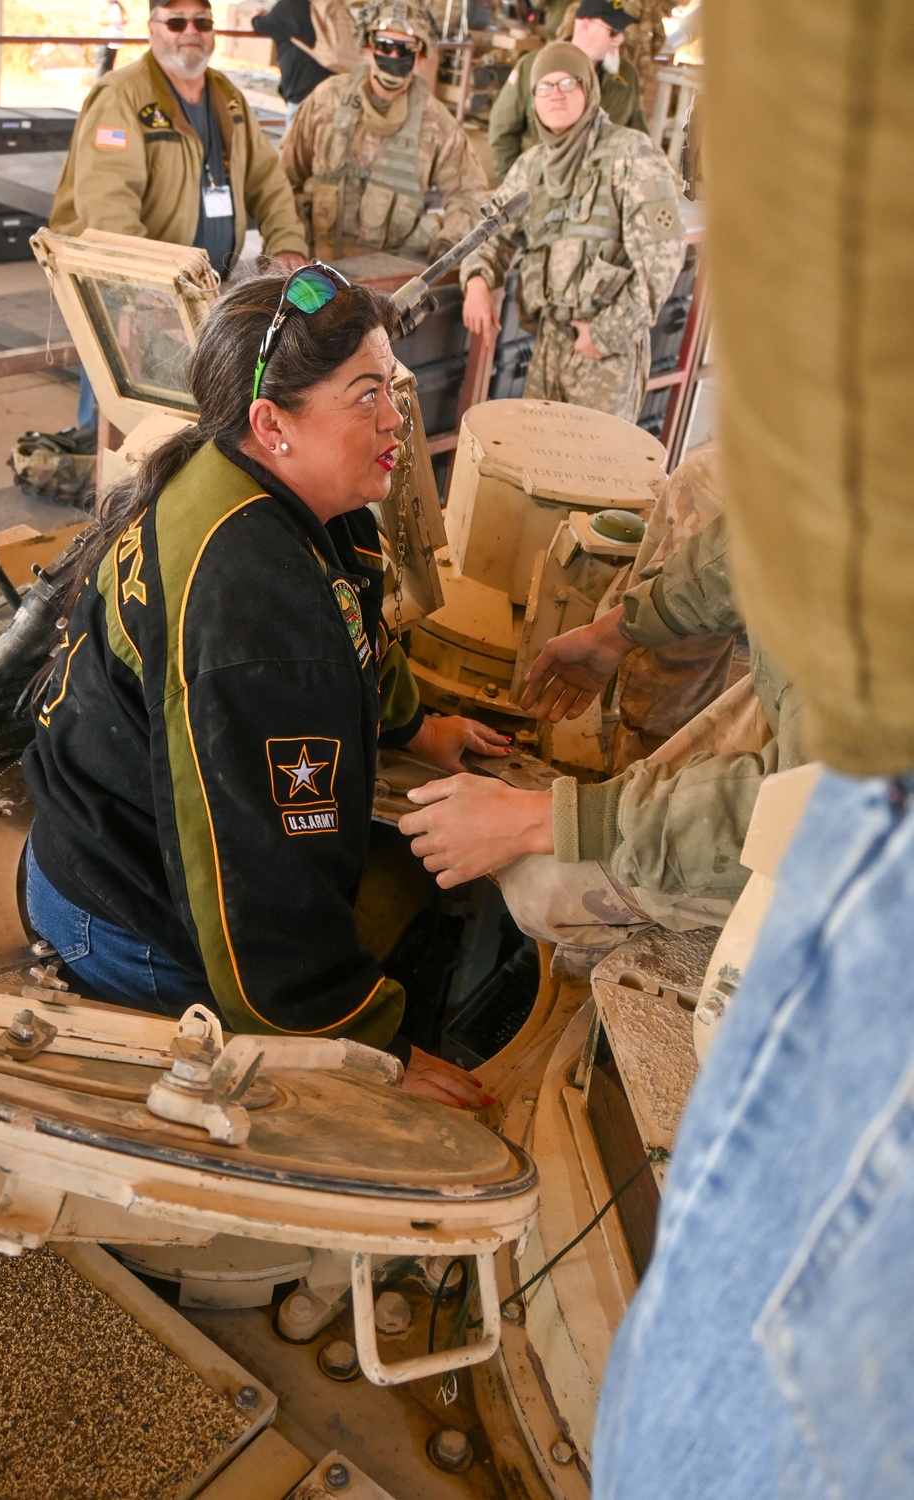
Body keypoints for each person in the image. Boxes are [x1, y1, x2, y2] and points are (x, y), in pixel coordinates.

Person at [592, 3, 914, 1495]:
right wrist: (624, 626)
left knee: (700, 1446)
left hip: (853, 817)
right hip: (845, 768)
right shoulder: (804, 490)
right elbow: (747, 566)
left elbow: (779, 813)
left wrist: (561, 826)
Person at [22, 268, 508, 1108]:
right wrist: (363, 1038)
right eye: (364, 395)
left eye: (389, 384)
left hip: (94, 848)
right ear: (271, 424)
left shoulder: (259, 483)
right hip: (124, 919)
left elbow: (358, 615)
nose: (395, 415)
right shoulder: (256, 604)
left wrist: (418, 730)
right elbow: (253, 879)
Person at [398, 452, 806, 966]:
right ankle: (648, 774)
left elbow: (799, 816)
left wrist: (557, 819)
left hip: (855, 843)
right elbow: (782, 527)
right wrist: (623, 628)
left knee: (540, 886)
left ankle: (651, 985)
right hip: (813, 698)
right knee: (703, 480)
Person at [51, 0, 309, 426]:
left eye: (202, 21)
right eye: (175, 21)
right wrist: (147, 282)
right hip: (132, 293)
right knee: (121, 424)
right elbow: (107, 206)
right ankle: (102, 465)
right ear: (152, 30)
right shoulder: (121, 97)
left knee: (187, 416)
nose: (191, 30)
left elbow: (269, 180)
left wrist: (287, 245)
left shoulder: (227, 97)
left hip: (203, 289)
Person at [461, 40, 684, 423]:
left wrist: (605, 335)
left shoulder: (632, 154)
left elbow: (662, 257)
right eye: (544, 87)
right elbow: (491, 232)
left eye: (568, 83)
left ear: (589, 89)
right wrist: (477, 279)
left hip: (606, 354)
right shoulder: (532, 166)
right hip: (548, 343)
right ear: (532, 100)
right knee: (537, 464)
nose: (556, 95)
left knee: (594, 473)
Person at [280, 0, 488, 262]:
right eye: (384, 45)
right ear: (368, 46)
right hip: (313, 268)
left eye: (405, 49)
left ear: (420, 54)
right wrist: (286, 244)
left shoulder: (437, 124)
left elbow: (468, 195)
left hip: (388, 277)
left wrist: (449, 241)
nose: (393, 57)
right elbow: (284, 180)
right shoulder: (326, 100)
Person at [489, 0, 648, 183]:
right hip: (542, 187)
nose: (619, 38)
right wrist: (516, 187)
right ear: (585, 26)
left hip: (601, 192)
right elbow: (502, 131)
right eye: (613, 31)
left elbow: (640, 138)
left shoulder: (625, 77)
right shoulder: (534, 67)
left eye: (622, 31)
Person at [249, 0, 335, 125]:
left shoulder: (289, 5)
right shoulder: (325, 4)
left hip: (302, 90)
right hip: (331, 85)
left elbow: (261, 25)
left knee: (296, 141)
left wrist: (255, 17)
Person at [95, 0, 129, 79]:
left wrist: (123, 20)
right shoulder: (101, 5)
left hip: (116, 38)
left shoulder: (117, 4)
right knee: (102, 65)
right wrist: (114, 21)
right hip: (104, 38)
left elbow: (126, 15)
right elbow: (98, 19)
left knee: (110, 66)